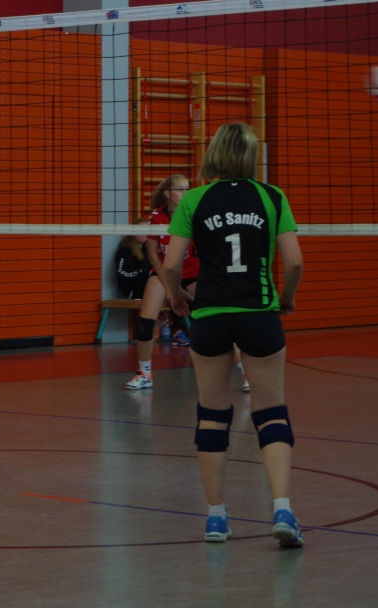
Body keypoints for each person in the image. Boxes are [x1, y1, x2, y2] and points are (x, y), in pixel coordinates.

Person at [159, 122, 304, 548]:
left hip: (210, 315)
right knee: (271, 411)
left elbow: (171, 264)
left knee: (212, 414)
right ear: (251, 156)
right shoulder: (272, 196)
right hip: (259, 312)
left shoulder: (195, 198)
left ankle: (216, 519)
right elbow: (294, 262)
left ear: (215, 153)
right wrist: (286, 298)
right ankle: (282, 510)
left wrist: (175, 296)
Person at [124, 175, 199, 389]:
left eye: (187, 189)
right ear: (167, 193)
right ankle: (144, 373)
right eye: (180, 189)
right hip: (164, 271)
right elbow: (153, 255)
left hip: (192, 272)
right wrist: (169, 287)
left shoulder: (194, 214)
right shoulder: (156, 217)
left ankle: (242, 372)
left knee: (214, 320)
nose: (185, 193)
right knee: (144, 325)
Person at [113, 219, 150, 300]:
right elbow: (122, 272)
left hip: (146, 287)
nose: (144, 233)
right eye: (141, 230)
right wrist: (142, 271)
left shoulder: (146, 250)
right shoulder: (125, 250)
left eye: (147, 230)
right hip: (133, 289)